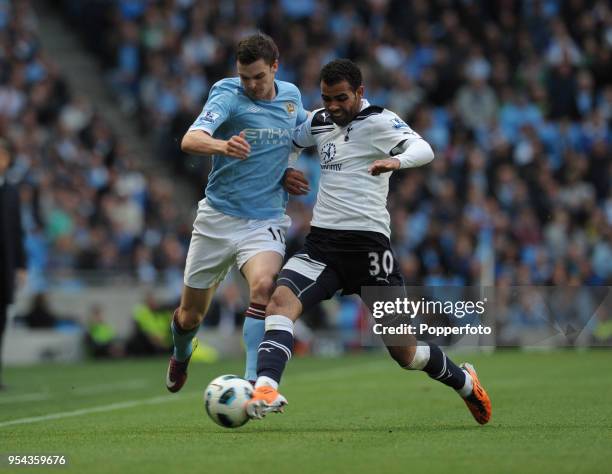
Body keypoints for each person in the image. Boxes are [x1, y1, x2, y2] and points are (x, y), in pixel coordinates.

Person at [246, 59, 492, 425]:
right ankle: (265, 387)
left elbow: (423, 148)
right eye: (327, 98)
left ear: (360, 93)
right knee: (279, 302)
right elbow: (290, 142)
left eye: (341, 98)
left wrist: (397, 163)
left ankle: (465, 382)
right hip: (323, 246)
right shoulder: (321, 121)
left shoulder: (378, 121)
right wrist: (286, 170)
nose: (332, 106)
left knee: (405, 353)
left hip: (370, 252)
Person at [166, 33, 310, 391]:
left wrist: (287, 170)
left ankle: (251, 383)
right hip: (217, 217)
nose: (251, 84)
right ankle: (181, 353)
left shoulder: (291, 97)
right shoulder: (227, 94)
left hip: (264, 220)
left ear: (275, 68)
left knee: (263, 287)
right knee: (189, 316)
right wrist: (222, 145)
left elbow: (293, 138)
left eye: (258, 77)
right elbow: (190, 139)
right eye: (245, 76)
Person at [0, 140, 27, 389]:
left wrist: (21, 265)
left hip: (5, 266)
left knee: (0, 321)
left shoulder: (11, 191)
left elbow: (18, 232)